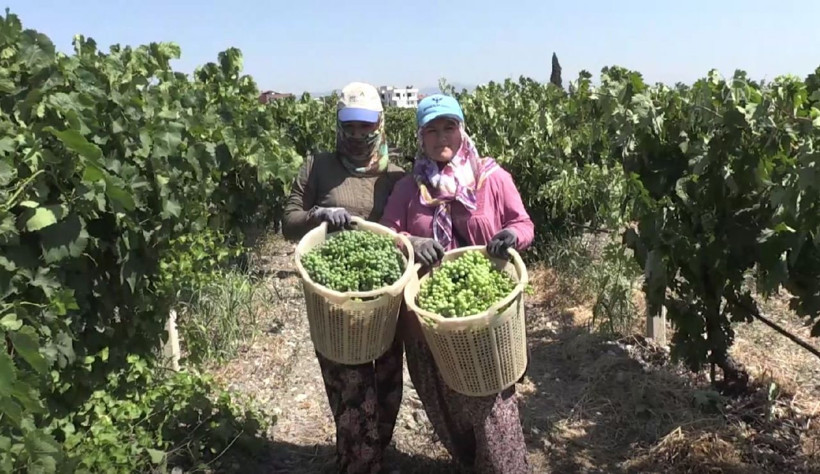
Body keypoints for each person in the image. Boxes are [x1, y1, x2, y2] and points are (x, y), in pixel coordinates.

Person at [379, 94, 534, 473]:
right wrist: (411, 243)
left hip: (486, 319)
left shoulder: (492, 178)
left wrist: (512, 237)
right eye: (431, 129)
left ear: (462, 129)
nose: (440, 136)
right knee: (444, 406)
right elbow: (386, 234)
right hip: (427, 317)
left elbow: (523, 224)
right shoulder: (409, 188)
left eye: (448, 126)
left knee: (493, 411)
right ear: (420, 136)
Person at [282, 82, 406, 474]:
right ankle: (358, 463)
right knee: (353, 395)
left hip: (385, 300)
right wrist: (317, 214)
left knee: (387, 391)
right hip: (334, 302)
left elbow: (410, 225)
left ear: (379, 125)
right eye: (349, 127)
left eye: (365, 127)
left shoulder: (395, 173)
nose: (356, 136)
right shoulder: (318, 166)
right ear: (338, 124)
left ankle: (374, 452)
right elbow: (288, 221)